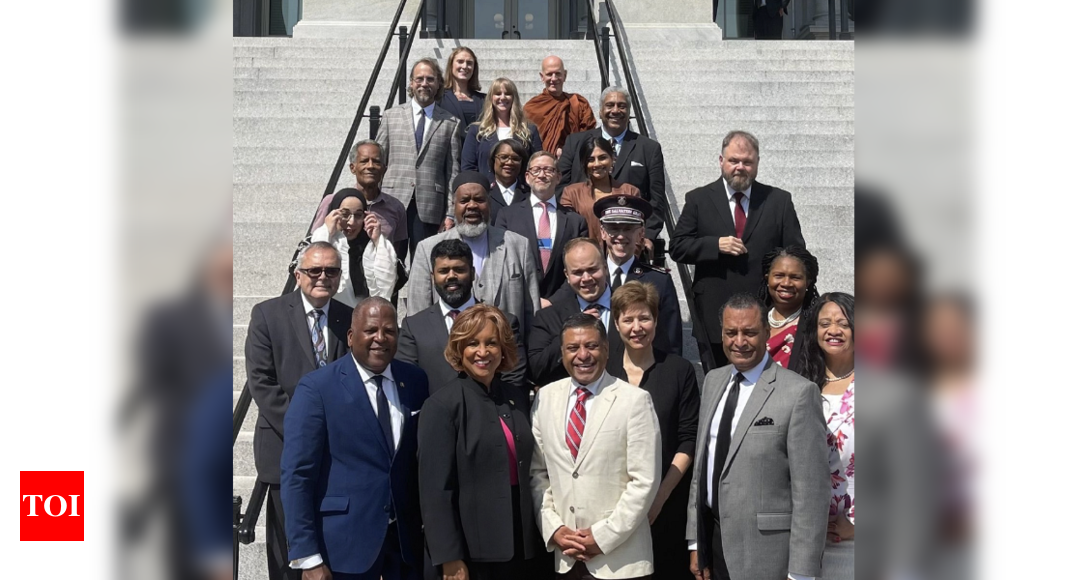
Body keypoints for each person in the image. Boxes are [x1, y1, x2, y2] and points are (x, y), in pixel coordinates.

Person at [282, 298, 430, 580]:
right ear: (351, 336)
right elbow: (297, 475)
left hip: (404, 547)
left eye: (389, 331)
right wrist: (307, 556)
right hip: (342, 549)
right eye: (371, 330)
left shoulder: (414, 381)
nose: (380, 338)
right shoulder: (317, 388)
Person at [686, 293, 828, 580]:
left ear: (766, 332)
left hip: (767, 554)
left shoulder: (798, 393)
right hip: (713, 542)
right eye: (731, 333)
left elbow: (811, 491)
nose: (740, 341)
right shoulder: (713, 381)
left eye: (749, 332)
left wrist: (801, 571)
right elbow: (702, 470)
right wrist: (695, 541)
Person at [245, 241, 355, 580]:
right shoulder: (267, 314)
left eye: (331, 271)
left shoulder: (348, 318)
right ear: (298, 274)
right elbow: (262, 383)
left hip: (337, 453)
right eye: (314, 270)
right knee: (289, 556)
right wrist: (306, 427)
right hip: (283, 447)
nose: (323, 277)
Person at [530, 313, 661, 580]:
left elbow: (644, 481)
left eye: (591, 346)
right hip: (566, 559)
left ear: (606, 349)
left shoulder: (635, 401)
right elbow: (538, 474)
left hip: (621, 562)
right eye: (572, 348)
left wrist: (602, 537)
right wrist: (554, 529)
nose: (583, 355)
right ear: (562, 353)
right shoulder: (545, 398)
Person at [418, 304, 543, 580]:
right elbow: (435, 491)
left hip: (522, 546)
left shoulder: (517, 398)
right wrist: (450, 557)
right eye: (473, 343)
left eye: (492, 343)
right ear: (460, 349)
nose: (483, 352)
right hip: (473, 554)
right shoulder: (441, 405)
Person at [669, 130, 806, 373]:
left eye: (747, 162)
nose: (740, 167)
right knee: (719, 381)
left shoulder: (778, 201)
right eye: (734, 160)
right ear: (721, 161)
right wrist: (714, 245)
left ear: (757, 164)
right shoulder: (699, 199)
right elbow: (677, 246)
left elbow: (796, 253)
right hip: (713, 313)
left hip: (764, 311)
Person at [605, 282, 699, 580]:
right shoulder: (603, 371)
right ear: (616, 323)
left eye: (644, 318)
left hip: (666, 506)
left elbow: (688, 438)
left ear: (656, 321)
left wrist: (658, 496)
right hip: (611, 508)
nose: (637, 327)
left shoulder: (679, 370)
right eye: (628, 319)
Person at [408, 171, 540, 338]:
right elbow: (417, 314)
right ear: (453, 205)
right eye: (464, 201)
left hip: (506, 354)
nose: (472, 206)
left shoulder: (518, 245)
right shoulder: (427, 249)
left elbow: (532, 312)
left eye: (479, 200)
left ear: (489, 204)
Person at [398, 239, 528, 399]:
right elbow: (407, 379)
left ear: (472, 273)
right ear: (433, 276)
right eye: (444, 271)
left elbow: (513, 375)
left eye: (459, 270)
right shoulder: (414, 327)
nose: (451, 276)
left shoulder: (503, 321)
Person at [795, 292, 856, 580]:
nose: (833, 330)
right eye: (825, 323)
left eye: (843, 323)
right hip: (808, 542)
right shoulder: (800, 384)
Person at [557, 87, 666, 245]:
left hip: (627, 241)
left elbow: (656, 199)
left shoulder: (649, 148)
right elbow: (559, 187)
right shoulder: (575, 142)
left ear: (629, 112)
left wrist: (646, 236)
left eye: (621, 106)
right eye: (610, 105)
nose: (615, 110)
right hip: (583, 238)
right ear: (600, 111)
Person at [378, 58, 463, 258]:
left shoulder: (451, 123)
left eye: (430, 79)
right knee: (389, 265)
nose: (424, 83)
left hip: (429, 207)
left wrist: (450, 213)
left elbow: (453, 172)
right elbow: (378, 162)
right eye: (419, 79)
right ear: (411, 83)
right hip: (393, 202)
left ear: (438, 84)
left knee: (425, 266)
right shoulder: (391, 117)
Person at [590, 194, 682, 355]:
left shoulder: (659, 281)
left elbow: (671, 340)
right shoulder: (588, 278)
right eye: (613, 228)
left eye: (628, 229)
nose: (620, 236)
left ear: (641, 233)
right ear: (603, 232)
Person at [495, 152, 588, 304]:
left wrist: (553, 301)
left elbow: (580, 266)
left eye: (548, 170)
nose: (542, 175)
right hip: (519, 304)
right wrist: (529, 298)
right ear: (527, 176)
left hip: (560, 307)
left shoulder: (575, 221)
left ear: (558, 177)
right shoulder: (507, 216)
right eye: (536, 170)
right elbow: (501, 263)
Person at [527, 238, 614, 387]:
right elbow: (537, 369)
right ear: (567, 275)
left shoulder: (628, 308)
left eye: (592, 269)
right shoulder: (547, 317)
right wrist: (569, 331)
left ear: (605, 267)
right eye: (578, 273)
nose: (586, 278)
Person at [311, 140, 409, 260]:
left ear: (384, 169)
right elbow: (314, 243)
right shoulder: (333, 202)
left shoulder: (395, 207)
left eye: (377, 162)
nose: (370, 166)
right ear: (353, 168)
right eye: (364, 161)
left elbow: (398, 251)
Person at [311, 188, 399, 305]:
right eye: (345, 214)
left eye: (358, 215)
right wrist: (327, 232)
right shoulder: (325, 239)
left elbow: (386, 283)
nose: (351, 222)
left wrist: (378, 240)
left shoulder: (372, 245)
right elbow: (314, 267)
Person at [559, 135, 641, 240]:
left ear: (613, 158)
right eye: (591, 159)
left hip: (622, 253)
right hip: (586, 253)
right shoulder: (571, 193)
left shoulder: (630, 192)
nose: (597, 164)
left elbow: (638, 231)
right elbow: (568, 230)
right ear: (584, 163)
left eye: (602, 158)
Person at [462, 77, 543, 179]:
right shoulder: (477, 131)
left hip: (521, 192)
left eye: (508, 93)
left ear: (514, 98)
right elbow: (468, 167)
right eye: (498, 93)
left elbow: (537, 164)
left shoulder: (529, 130)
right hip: (487, 192)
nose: (503, 97)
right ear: (491, 98)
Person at [756, 246, 820, 370]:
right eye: (779, 276)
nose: (786, 283)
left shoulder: (817, 324)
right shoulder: (753, 319)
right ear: (767, 278)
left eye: (795, 277)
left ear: (808, 282)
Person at [522, 56, 596, 157]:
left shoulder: (579, 104)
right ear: (542, 77)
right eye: (549, 74)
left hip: (572, 161)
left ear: (565, 75)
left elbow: (588, 137)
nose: (554, 78)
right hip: (542, 165)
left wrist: (566, 151)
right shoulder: (531, 108)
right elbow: (526, 142)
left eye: (558, 73)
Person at [438, 47, 485, 128]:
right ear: (451, 65)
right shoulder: (439, 98)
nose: (465, 66)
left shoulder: (485, 100)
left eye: (469, 63)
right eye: (460, 61)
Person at [487, 138, 530, 223]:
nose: (509, 162)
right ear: (493, 160)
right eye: (503, 157)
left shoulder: (530, 194)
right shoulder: (485, 193)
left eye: (515, 158)